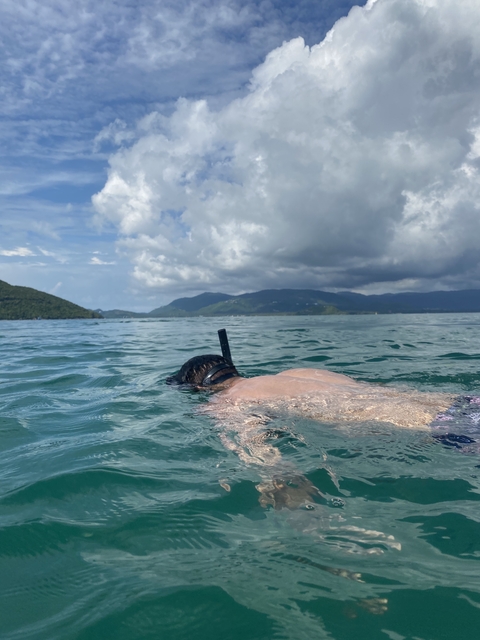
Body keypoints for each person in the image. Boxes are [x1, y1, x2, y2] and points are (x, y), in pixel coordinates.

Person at [167, 334, 478, 507]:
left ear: (198, 388)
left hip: (440, 428)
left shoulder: (227, 401)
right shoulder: (297, 373)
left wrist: (282, 486)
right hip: (454, 402)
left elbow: (257, 451)